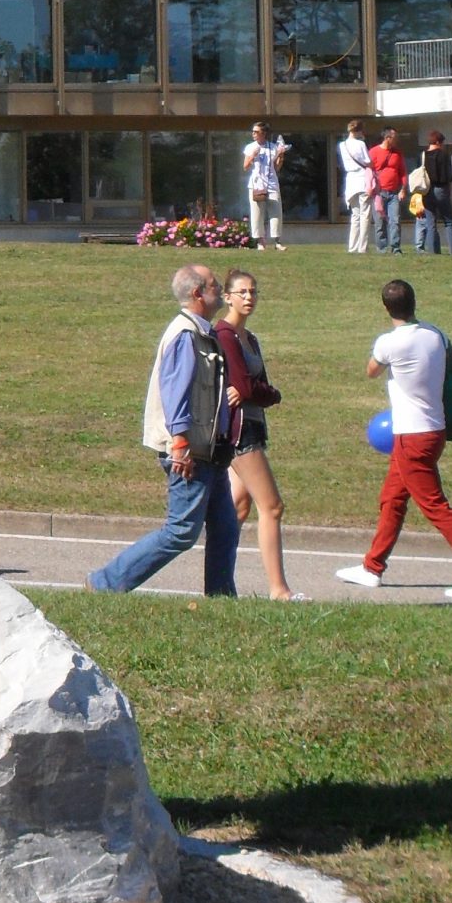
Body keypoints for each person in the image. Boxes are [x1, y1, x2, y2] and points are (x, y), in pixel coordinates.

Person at [336, 279, 452, 599]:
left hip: (412, 435)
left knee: (435, 505)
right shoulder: (436, 334)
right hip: (434, 430)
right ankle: (372, 567)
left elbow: (371, 371)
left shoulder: (389, 343)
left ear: (386, 308)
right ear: (414, 303)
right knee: (392, 499)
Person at [87, 263, 238, 598]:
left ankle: (222, 597)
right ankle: (106, 582)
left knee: (225, 527)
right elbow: (176, 392)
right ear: (199, 293)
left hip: (209, 450)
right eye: (215, 286)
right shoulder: (185, 336)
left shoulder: (202, 333)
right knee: (181, 531)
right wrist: (180, 442)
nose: (221, 292)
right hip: (189, 450)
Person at [216, 269, 297, 601]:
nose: (249, 297)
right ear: (227, 297)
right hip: (239, 430)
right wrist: (270, 394)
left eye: (253, 292)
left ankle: (219, 584)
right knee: (272, 506)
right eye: (242, 292)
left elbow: (250, 388)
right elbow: (248, 387)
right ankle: (279, 590)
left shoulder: (251, 339)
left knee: (239, 505)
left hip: (254, 424)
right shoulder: (224, 334)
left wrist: (257, 392)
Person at [241, 123, 289, 251]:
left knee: (276, 212)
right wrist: (253, 156)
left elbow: (277, 168)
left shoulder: (272, 147)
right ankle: (260, 241)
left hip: (272, 183)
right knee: (257, 213)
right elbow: (245, 166)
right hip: (256, 184)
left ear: (263, 133)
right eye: (253, 131)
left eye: (256, 132)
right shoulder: (250, 147)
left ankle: (277, 241)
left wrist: (281, 155)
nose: (253, 134)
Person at [367, 125, 406, 255]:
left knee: (395, 221)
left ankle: (396, 248)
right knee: (379, 223)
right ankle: (381, 248)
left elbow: (402, 172)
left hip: (394, 192)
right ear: (387, 137)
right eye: (395, 137)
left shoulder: (397, 153)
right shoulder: (373, 152)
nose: (396, 140)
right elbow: (368, 171)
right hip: (379, 193)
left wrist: (403, 188)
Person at [338, 119, 374, 255]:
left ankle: (352, 247)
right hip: (362, 179)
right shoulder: (360, 144)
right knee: (365, 215)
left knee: (355, 215)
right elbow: (368, 161)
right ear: (359, 131)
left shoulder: (342, 145)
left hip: (350, 180)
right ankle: (362, 247)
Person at [416, 130, 452, 256]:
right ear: (437, 142)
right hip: (441, 188)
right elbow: (449, 175)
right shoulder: (444, 155)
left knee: (431, 222)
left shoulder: (422, 155)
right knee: (449, 221)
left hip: (426, 190)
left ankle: (433, 251)